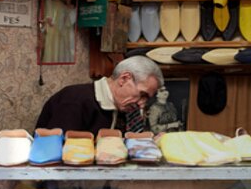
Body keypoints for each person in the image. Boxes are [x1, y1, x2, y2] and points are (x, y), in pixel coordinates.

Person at [35, 56, 164, 134]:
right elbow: (55, 159)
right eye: (142, 94)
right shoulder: (74, 101)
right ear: (124, 79)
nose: (142, 104)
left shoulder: (124, 107)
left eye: (147, 98)